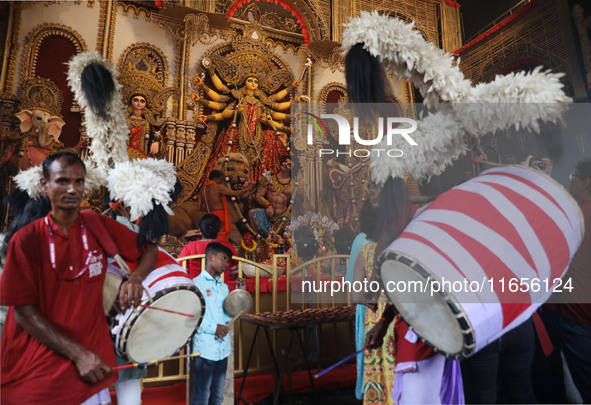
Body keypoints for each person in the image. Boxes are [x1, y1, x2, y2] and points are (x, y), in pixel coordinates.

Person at [0, 152, 158, 404]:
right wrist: (79, 355)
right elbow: (23, 312)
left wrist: (136, 279)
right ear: (45, 185)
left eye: (79, 181)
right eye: (62, 181)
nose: (72, 189)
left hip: (90, 371)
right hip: (41, 369)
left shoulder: (97, 224)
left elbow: (149, 248)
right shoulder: (26, 240)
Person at [192, 68, 300, 181]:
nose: (253, 83)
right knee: (227, 157)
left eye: (255, 81)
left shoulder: (261, 102)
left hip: (257, 137)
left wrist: (293, 96)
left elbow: (277, 110)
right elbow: (224, 112)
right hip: (236, 133)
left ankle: (255, 182)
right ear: (245, 83)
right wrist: (236, 111)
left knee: (273, 139)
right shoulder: (238, 99)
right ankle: (221, 182)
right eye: (250, 80)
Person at [558, 158, 591, 403]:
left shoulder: (574, 215)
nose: (572, 181)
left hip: (579, 318)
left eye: (574, 176)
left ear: (585, 182)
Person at [191, 242, 234, 405]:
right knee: (202, 395)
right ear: (210, 257)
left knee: (217, 396)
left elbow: (228, 314)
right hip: (205, 350)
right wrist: (214, 327)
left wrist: (237, 303)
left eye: (228, 261)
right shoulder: (196, 285)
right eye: (223, 259)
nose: (225, 264)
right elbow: (191, 316)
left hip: (222, 349)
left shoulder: (224, 288)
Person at [248, 156, 298, 238]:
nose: (285, 164)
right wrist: (268, 205)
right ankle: (258, 241)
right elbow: (258, 196)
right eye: (285, 161)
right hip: (268, 217)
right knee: (252, 213)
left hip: (285, 218)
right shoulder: (269, 178)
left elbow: (297, 203)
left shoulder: (294, 184)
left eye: (289, 165)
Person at [199, 170, 253, 243]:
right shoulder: (218, 187)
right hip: (219, 216)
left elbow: (199, 208)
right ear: (215, 179)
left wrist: (209, 206)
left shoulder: (202, 190)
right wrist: (247, 189)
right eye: (220, 180)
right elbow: (235, 193)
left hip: (209, 216)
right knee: (221, 237)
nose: (220, 182)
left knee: (213, 236)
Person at [179, 214, 238, 280]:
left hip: (196, 288)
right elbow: (234, 274)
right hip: (221, 288)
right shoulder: (228, 247)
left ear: (200, 229)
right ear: (219, 229)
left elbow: (181, 271)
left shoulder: (189, 247)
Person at [126, 92, 163, 159]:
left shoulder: (147, 122)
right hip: (126, 153)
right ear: (131, 102)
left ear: (145, 104)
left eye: (142, 101)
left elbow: (156, 134)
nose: (138, 103)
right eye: (136, 100)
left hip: (142, 155)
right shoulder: (125, 120)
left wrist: (156, 142)